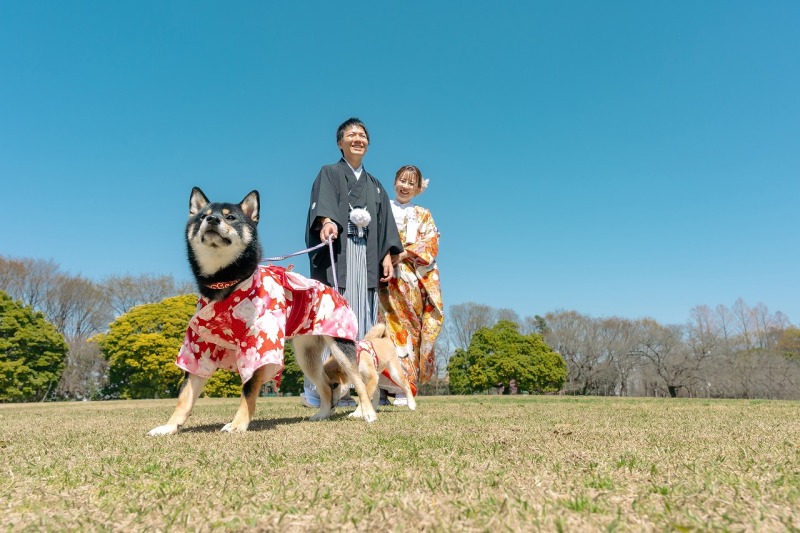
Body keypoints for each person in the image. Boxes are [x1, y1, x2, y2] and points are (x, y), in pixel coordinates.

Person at [301, 117, 403, 408]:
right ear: (340, 143)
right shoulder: (329, 173)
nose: (358, 139)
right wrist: (327, 222)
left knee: (364, 320)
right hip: (342, 255)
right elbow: (323, 205)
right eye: (351, 135)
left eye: (362, 135)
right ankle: (321, 389)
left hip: (368, 258)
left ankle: (362, 387)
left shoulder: (377, 186)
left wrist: (387, 255)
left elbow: (385, 226)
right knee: (334, 321)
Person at [379, 165, 443, 406]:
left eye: (410, 183)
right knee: (382, 327)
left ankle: (404, 387)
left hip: (409, 277)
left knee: (409, 329)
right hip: (383, 276)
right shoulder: (382, 208)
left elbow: (431, 242)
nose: (405, 186)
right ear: (394, 181)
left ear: (418, 189)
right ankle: (382, 388)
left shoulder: (423, 214)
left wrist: (404, 254)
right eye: (401, 181)